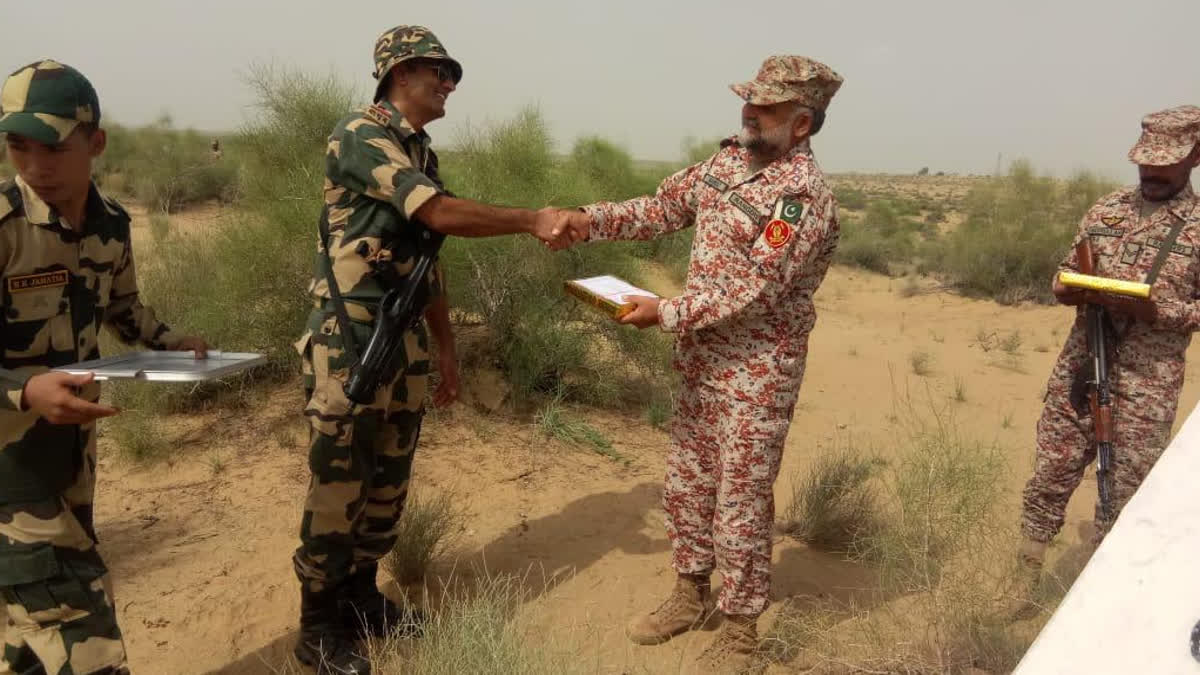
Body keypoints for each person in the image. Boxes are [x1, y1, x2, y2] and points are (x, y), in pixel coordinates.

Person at [290, 25, 575, 674]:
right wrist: (531, 219)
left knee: (387, 485)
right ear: (399, 74)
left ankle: (362, 600)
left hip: (402, 339)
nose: (449, 85)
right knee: (339, 487)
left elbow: (428, 261)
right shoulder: (360, 134)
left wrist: (447, 348)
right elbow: (438, 214)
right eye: (439, 72)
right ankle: (317, 628)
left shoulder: (420, 151)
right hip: (349, 341)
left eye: (452, 74)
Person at [557, 54, 844, 673]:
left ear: (801, 124)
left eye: (765, 106)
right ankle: (689, 595)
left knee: (740, 498)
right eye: (749, 100)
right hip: (702, 361)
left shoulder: (802, 200)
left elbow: (755, 289)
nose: (748, 111)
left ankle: (741, 630)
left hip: (757, 372)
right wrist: (588, 222)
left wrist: (663, 312)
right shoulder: (725, 163)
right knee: (687, 483)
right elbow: (659, 208)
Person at [0, 59, 209, 675]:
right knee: (79, 622)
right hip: (7, 461)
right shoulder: (5, 225)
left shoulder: (110, 224)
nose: (35, 164)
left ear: (95, 143)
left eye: (53, 146)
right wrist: (25, 389)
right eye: (18, 146)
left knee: (30, 627)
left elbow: (121, 304)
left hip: (69, 449)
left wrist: (167, 341)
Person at [1007, 105, 1200, 618]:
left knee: (1122, 492)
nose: (1152, 174)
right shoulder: (1106, 210)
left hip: (1146, 383)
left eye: (1165, 165)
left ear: (1196, 156)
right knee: (1051, 473)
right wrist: (1066, 286)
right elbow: (1069, 269)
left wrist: (1158, 308)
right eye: (1145, 164)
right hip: (1081, 364)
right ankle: (1021, 586)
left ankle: (1097, 605)